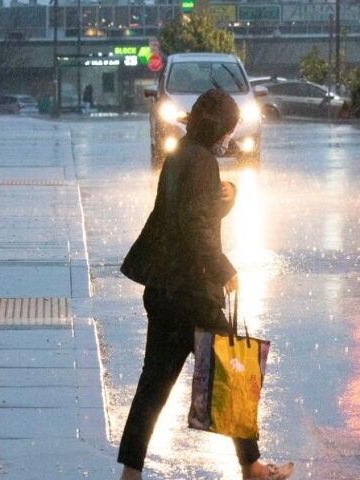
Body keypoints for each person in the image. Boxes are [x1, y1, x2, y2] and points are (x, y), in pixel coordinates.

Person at [117, 89, 294, 480]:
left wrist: (227, 198)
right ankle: (253, 468)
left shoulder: (181, 156)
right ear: (219, 128)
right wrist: (223, 269)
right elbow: (196, 227)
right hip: (192, 292)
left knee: (153, 388)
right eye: (229, 130)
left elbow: (188, 212)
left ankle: (130, 474)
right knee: (232, 376)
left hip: (164, 289)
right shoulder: (201, 163)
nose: (228, 138)